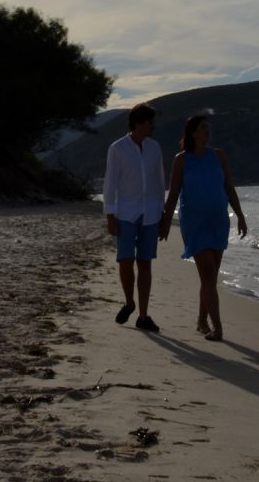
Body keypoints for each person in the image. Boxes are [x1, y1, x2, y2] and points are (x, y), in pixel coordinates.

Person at [159, 113, 247, 341]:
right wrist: (166, 221)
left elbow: (229, 187)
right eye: (203, 128)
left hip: (218, 220)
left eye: (209, 128)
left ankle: (201, 320)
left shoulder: (218, 156)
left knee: (210, 277)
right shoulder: (182, 159)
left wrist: (240, 215)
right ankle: (218, 328)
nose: (207, 132)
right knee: (208, 275)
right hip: (194, 223)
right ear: (192, 132)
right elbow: (174, 192)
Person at [103, 102, 165, 333]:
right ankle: (129, 302)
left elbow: (160, 180)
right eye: (150, 122)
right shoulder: (117, 148)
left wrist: (163, 212)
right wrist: (110, 215)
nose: (153, 126)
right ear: (138, 123)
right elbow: (111, 183)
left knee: (146, 262)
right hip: (125, 212)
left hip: (150, 213)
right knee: (126, 260)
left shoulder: (154, 148)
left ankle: (143, 315)